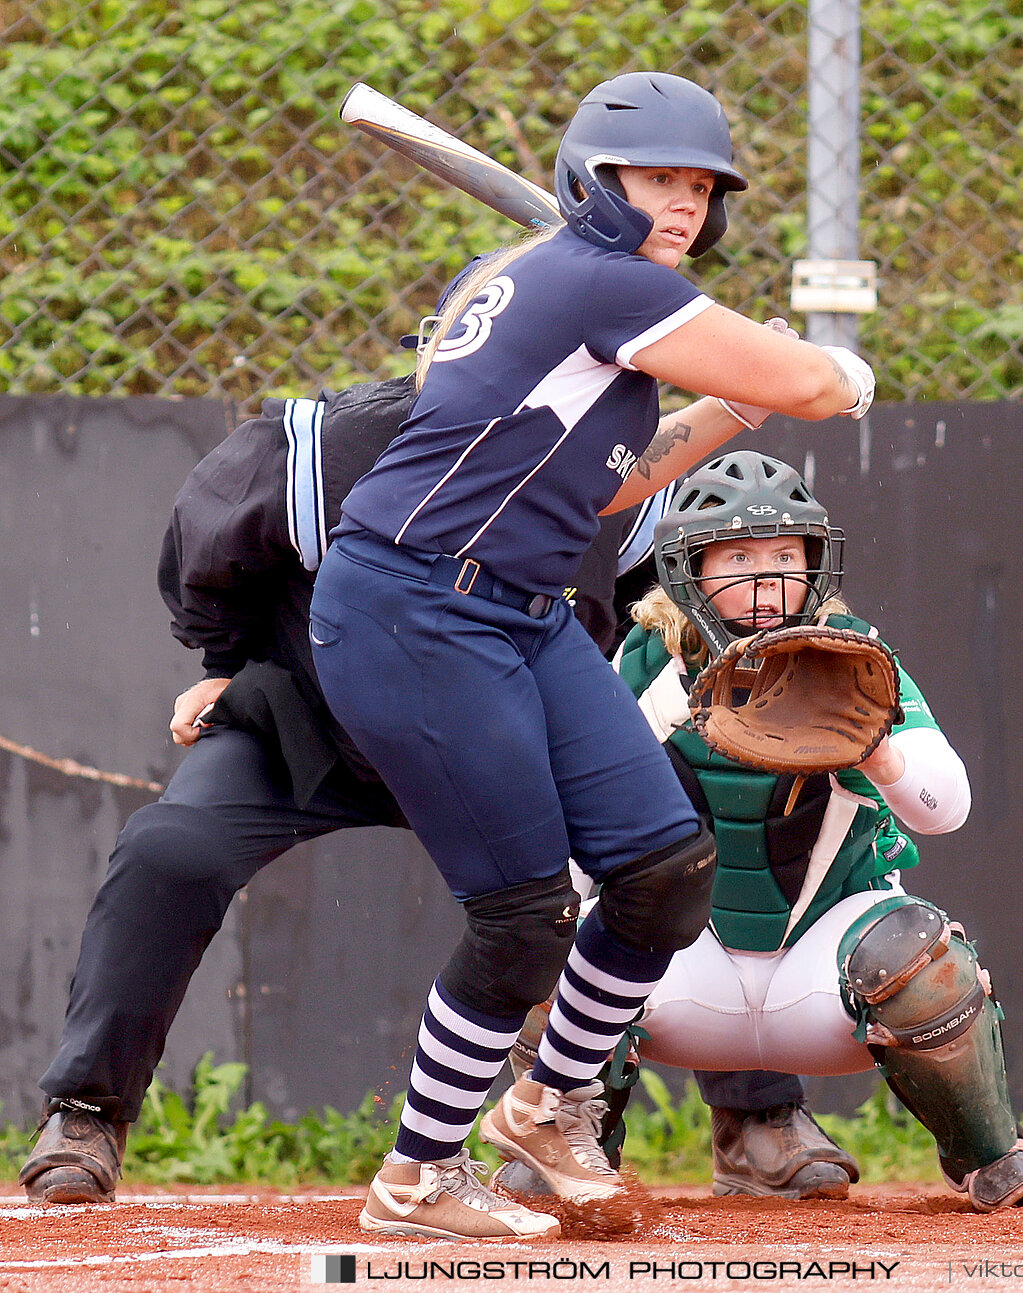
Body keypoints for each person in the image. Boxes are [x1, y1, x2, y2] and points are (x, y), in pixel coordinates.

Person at [306, 71, 876, 1242]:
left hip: (516, 608)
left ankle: (551, 1105)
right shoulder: (595, 280)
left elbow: (618, 478)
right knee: (521, 915)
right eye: (655, 179)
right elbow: (819, 384)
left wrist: (733, 395)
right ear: (589, 181)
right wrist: (824, 371)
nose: (681, 204)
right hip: (414, 608)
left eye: (699, 188)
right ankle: (416, 1177)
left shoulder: (560, 284)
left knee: (663, 865)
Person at [13, 368, 676, 1206]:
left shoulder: (608, 459)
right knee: (169, 849)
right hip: (316, 719)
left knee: (650, 855)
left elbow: (633, 602)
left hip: (498, 743)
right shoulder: (336, 445)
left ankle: (586, 1115)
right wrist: (233, 664)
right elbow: (205, 556)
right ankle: (87, 1109)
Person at [509, 451, 1023, 1212]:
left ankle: (988, 1156)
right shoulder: (650, 659)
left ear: (815, 564)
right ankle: (568, 1154)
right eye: (738, 556)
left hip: (821, 972)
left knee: (917, 953)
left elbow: (946, 807)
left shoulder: (856, 655)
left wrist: (874, 749)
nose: (764, 578)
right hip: (693, 971)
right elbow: (583, 810)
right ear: (687, 567)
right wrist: (675, 714)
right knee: (561, 940)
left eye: (785, 556)